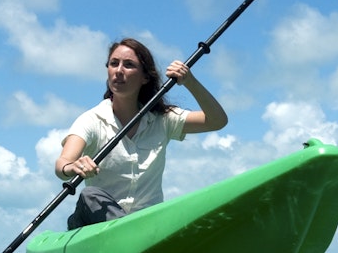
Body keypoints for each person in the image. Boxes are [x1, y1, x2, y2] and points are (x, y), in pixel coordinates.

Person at [57, 38, 227, 230]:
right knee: (90, 195)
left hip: (146, 226)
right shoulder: (92, 119)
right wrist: (73, 167)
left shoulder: (163, 119)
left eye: (128, 65)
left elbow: (217, 121)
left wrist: (190, 81)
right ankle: (124, 233)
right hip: (97, 228)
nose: (119, 70)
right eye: (114, 64)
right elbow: (62, 164)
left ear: (145, 77)